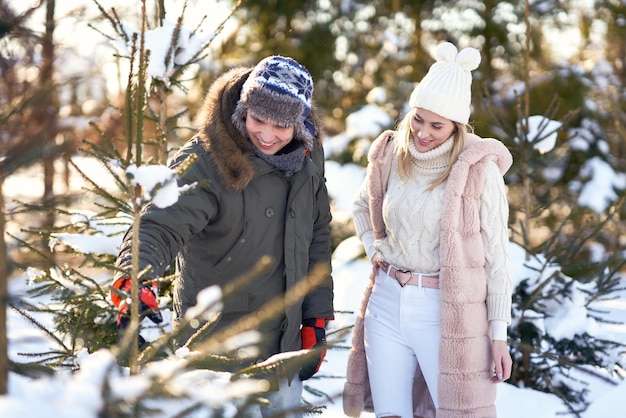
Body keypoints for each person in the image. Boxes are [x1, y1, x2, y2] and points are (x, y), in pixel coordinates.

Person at [111, 55, 334, 418]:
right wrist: (135, 278)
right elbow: (160, 224)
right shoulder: (207, 158)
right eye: (258, 118)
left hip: (285, 348)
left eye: (281, 125)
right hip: (217, 354)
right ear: (243, 108)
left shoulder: (308, 158)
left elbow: (316, 236)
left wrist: (315, 318)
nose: (266, 133)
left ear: (301, 123)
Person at [343, 41, 513, 418]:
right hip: (385, 302)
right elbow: (360, 206)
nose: (423, 132)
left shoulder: (478, 170)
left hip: (444, 311)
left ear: (457, 126)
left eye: (437, 125)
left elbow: (498, 258)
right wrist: (375, 247)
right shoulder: (392, 153)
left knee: (458, 412)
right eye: (418, 119)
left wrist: (498, 335)